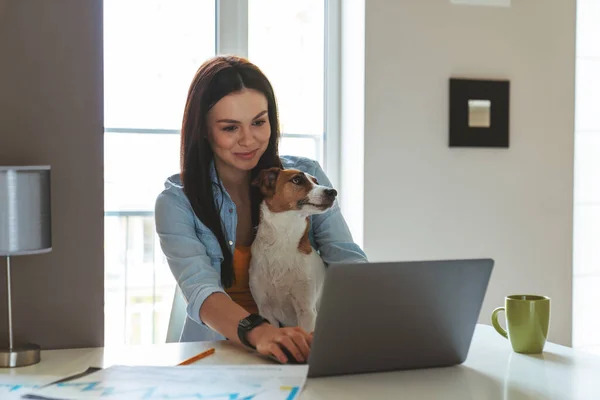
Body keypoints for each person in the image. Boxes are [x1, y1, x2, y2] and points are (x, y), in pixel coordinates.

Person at [154, 55, 368, 364]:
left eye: (259, 122)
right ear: (203, 130)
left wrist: (381, 314)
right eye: (230, 128)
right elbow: (201, 291)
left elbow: (345, 258)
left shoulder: (304, 176)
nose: (249, 139)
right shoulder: (177, 203)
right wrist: (262, 333)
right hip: (219, 354)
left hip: (300, 348)